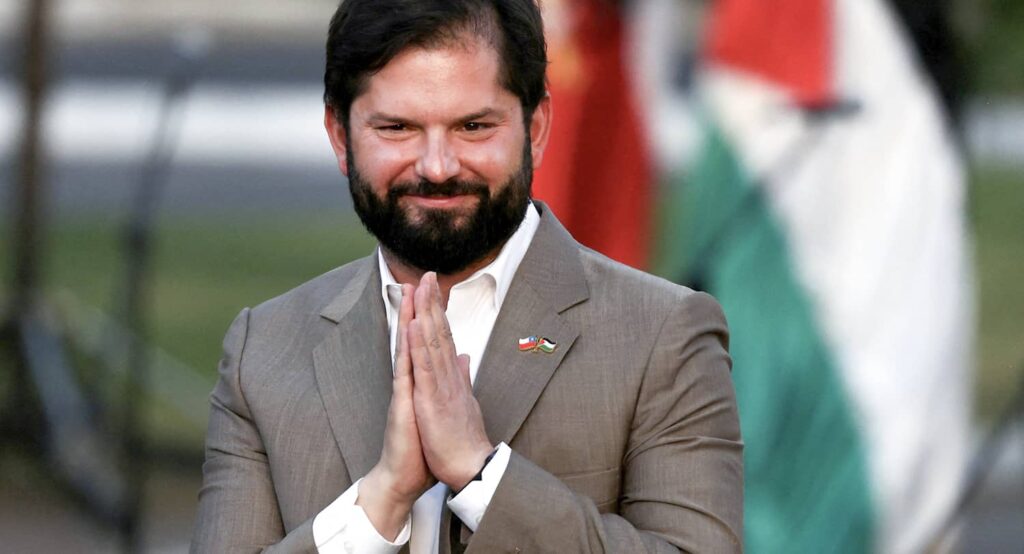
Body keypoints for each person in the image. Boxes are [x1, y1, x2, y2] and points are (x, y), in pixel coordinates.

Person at [191, 0, 742, 552]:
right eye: (398, 128)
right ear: (340, 134)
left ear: (537, 126)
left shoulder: (663, 335)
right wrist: (379, 505)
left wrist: (484, 477)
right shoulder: (261, 353)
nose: (437, 166)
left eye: (473, 127)